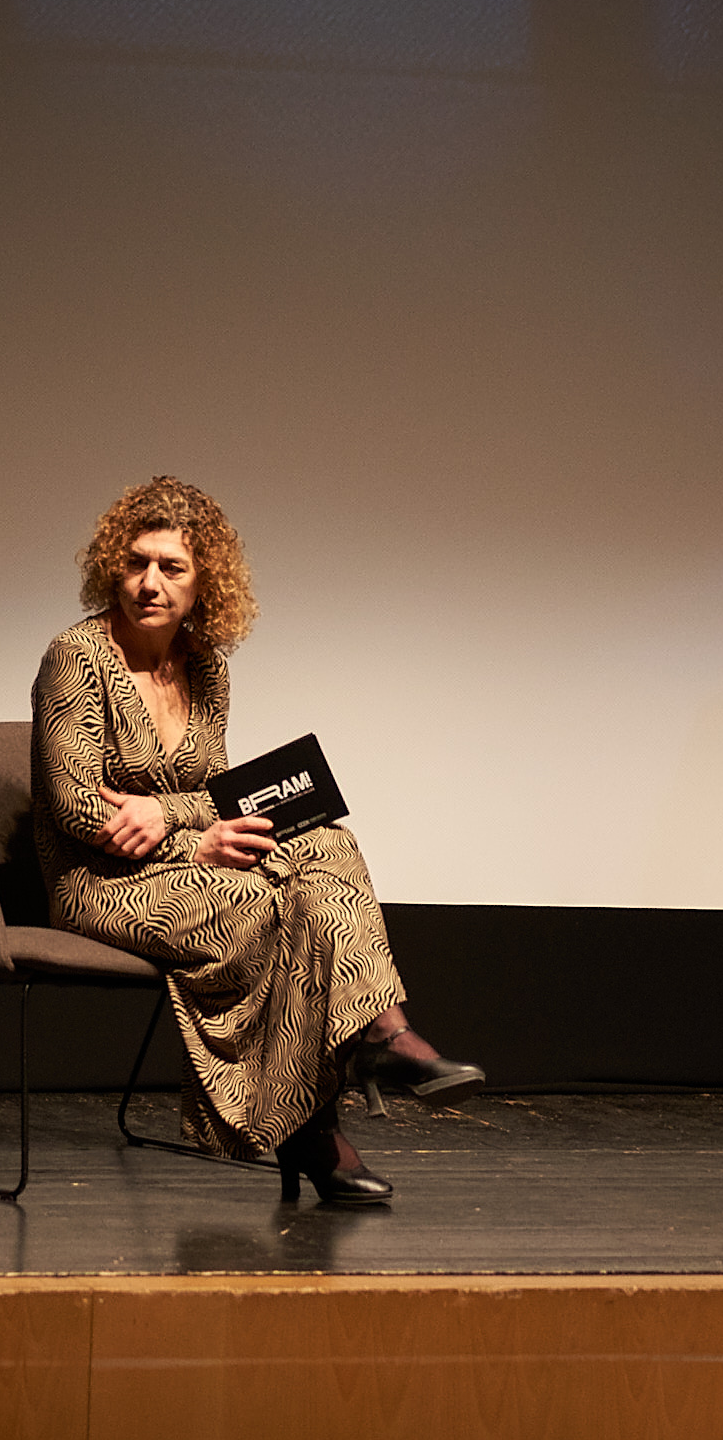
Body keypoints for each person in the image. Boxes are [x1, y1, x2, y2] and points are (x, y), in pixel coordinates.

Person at [34, 475, 479, 1210]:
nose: (149, 582)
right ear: (111, 565)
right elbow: (81, 808)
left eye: (171, 567)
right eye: (136, 562)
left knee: (327, 847)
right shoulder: (75, 658)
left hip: (182, 858)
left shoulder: (206, 664)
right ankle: (313, 1125)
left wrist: (185, 823)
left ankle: (381, 1029)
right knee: (266, 902)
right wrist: (194, 835)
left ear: (204, 580)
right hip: (98, 880)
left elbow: (208, 788)